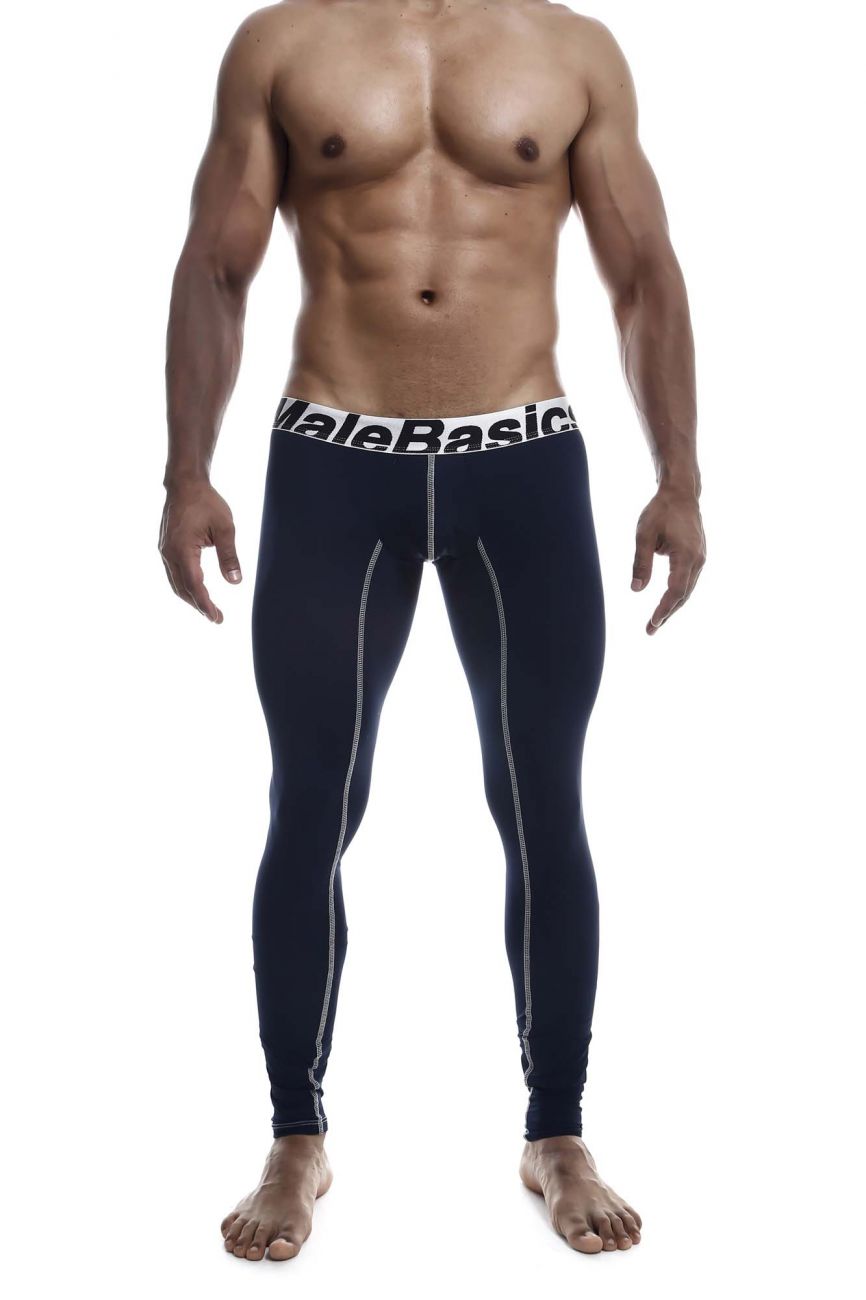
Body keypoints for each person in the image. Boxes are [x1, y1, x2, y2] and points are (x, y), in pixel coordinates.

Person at [159, 0, 705, 1262]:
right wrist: (187, 472)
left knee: (539, 799)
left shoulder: (570, 50)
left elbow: (642, 275)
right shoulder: (282, 44)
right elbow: (216, 265)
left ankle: (555, 1131)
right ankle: (295, 1136)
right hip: (332, 457)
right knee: (313, 801)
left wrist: (677, 476)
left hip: (522, 460)